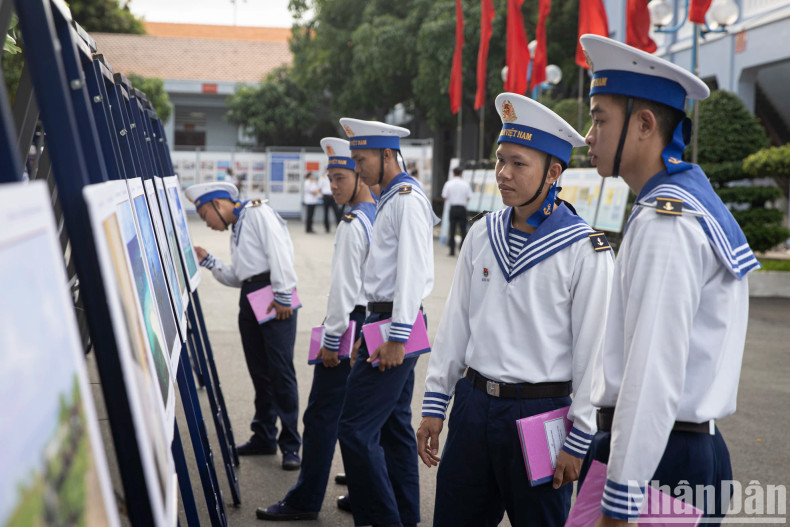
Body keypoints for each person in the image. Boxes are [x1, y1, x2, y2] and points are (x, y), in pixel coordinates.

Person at [578, 35, 760, 524]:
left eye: (599, 119)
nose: (588, 136)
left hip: (658, 460)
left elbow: (651, 375)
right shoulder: (677, 204)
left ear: (644, 124)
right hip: (666, 449)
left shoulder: (668, 222)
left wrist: (620, 500)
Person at [417, 93, 613, 526]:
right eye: (500, 160)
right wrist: (435, 402)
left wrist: (579, 436)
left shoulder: (585, 250)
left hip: (541, 415)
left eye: (518, 163)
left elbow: (594, 352)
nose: (503, 174)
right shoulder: (482, 233)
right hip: (472, 406)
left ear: (554, 172)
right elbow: (455, 326)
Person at [256, 138, 376, 521]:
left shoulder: (354, 224)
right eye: (330, 178)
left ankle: (305, 500)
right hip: (373, 324)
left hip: (349, 323)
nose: (333, 186)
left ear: (361, 175)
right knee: (367, 418)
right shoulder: (380, 216)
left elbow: (343, 292)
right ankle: (365, 492)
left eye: (340, 177)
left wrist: (330, 341)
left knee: (323, 417)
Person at [336, 118, 438, 527]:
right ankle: (405, 517)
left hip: (398, 322)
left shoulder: (406, 200)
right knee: (394, 429)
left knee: (355, 430)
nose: (357, 169)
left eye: (361, 159)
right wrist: (369, 329)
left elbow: (411, 274)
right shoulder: (391, 199)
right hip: (385, 320)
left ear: (386, 155)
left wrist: (396, 336)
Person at [186, 181, 302, 471]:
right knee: (260, 373)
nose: (207, 223)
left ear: (219, 204)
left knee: (281, 371)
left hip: (274, 296)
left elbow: (280, 251)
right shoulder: (238, 224)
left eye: (204, 215)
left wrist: (284, 294)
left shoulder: (257, 212)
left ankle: (290, 445)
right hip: (251, 295)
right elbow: (240, 274)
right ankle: (264, 436)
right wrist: (209, 262)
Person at [441, 166, 472, 256]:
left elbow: (444, 196)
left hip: (453, 208)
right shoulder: (465, 184)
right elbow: (469, 197)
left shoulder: (448, 183)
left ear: (453, 173)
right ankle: (462, 249)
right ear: (461, 173)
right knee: (463, 230)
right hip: (462, 208)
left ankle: (452, 250)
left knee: (452, 229)